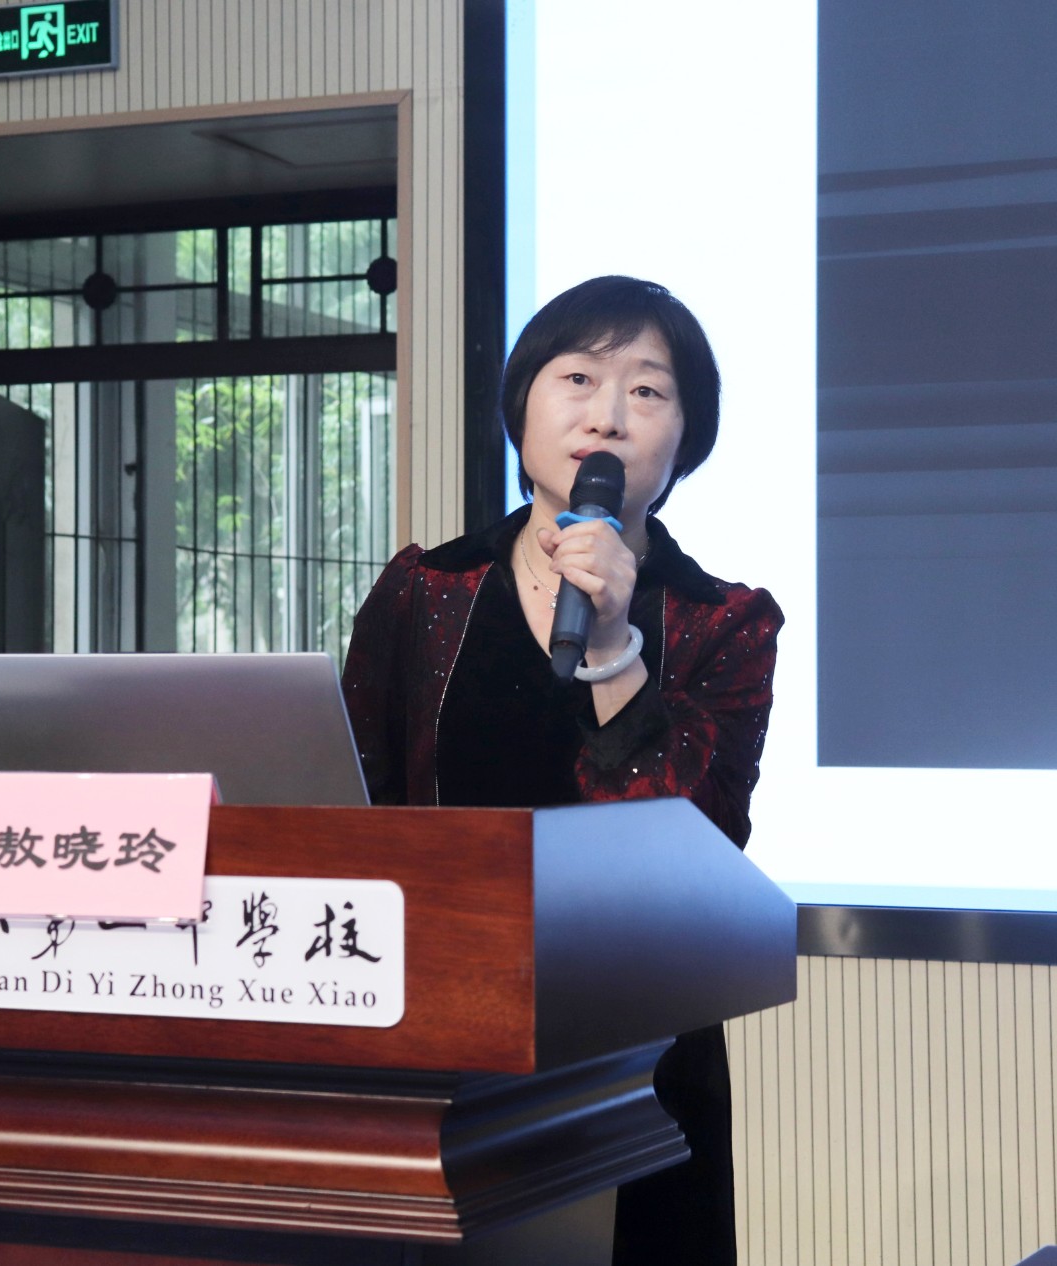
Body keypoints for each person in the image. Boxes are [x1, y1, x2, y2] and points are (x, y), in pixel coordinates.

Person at [340, 275, 783, 1265]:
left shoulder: (724, 620)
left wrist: (615, 645)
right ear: (523, 406)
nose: (607, 414)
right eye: (577, 377)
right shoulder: (425, 589)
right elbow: (356, 800)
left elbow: (695, 843)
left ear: (686, 439)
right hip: (444, 1034)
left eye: (648, 391)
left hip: (642, 1056)